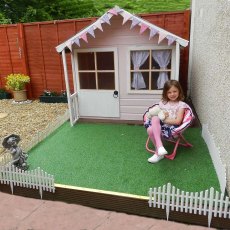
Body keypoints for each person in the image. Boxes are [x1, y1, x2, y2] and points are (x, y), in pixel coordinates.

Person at [146, 80, 188, 163]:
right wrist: (160, 115)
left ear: (179, 91)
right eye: (169, 92)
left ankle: (158, 152)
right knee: (154, 118)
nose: (172, 94)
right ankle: (160, 147)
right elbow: (157, 113)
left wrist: (163, 119)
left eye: (175, 91)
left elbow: (178, 121)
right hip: (160, 126)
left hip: (171, 128)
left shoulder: (181, 105)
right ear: (165, 93)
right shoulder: (163, 103)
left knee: (150, 130)